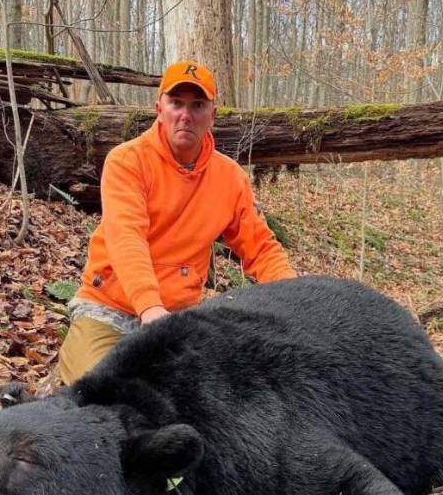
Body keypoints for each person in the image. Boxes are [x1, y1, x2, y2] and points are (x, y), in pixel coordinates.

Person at [58, 59, 296, 383]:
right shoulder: (128, 161)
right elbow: (126, 236)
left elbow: (262, 249)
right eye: (176, 103)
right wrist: (149, 308)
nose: (186, 115)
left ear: (212, 115)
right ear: (159, 108)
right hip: (109, 308)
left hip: (177, 319)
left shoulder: (230, 179)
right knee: (98, 399)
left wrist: (297, 298)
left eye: (197, 105)